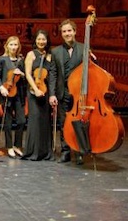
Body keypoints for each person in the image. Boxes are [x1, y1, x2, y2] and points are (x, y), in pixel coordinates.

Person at [50, 19, 86, 165]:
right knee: (63, 123)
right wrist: (52, 93)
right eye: (64, 31)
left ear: (75, 31)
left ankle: (78, 151)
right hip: (62, 91)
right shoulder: (56, 51)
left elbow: (91, 71)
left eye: (69, 30)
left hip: (79, 93)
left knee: (79, 122)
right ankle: (65, 151)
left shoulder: (84, 48)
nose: (67, 33)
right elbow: (53, 73)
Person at [22, 29, 57, 161]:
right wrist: (35, 89)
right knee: (35, 120)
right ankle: (33, 152)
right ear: (35, 40)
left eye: (43, 39)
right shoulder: (31, 54)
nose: (41, 42)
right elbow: (28, 73)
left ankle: (45, 152)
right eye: (38, 39)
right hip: (33, 91)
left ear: (47, 41)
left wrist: (51, 93)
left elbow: (52, 76)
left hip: (46, 90)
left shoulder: (50, 55)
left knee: (45, 121)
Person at [0, 36, 26, 158]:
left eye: (15, 45)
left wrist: (22, 74)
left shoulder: (20, 60)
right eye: (11, 45)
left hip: (19, 94)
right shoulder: (1, 60)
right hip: (6, 92)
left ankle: (17, 145)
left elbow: (24, 79)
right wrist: (1, 87)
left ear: (18, 46)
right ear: (6, 46)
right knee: (7, 123)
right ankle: (9, 146)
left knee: (21, 121)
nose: (13, 47)